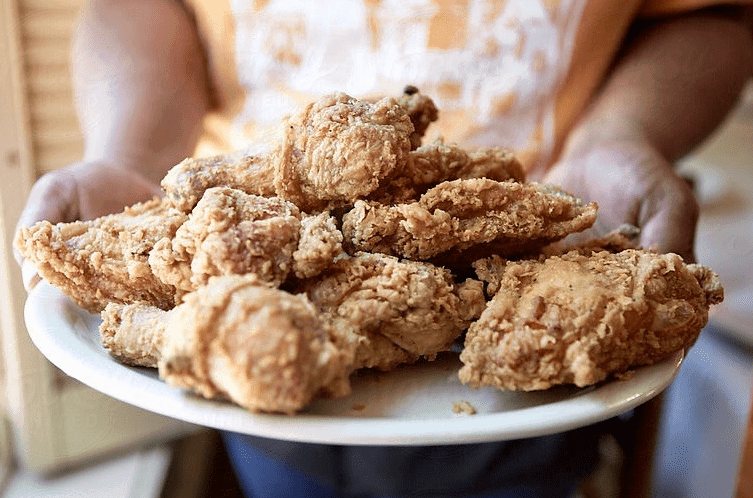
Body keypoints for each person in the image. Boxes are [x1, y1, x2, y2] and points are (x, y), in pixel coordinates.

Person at [15, 1, 753, 497]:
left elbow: (712, 13)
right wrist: (134, 156)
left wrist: (619, 137)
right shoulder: (252, 258)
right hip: (259, 372)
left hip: (533, 363)